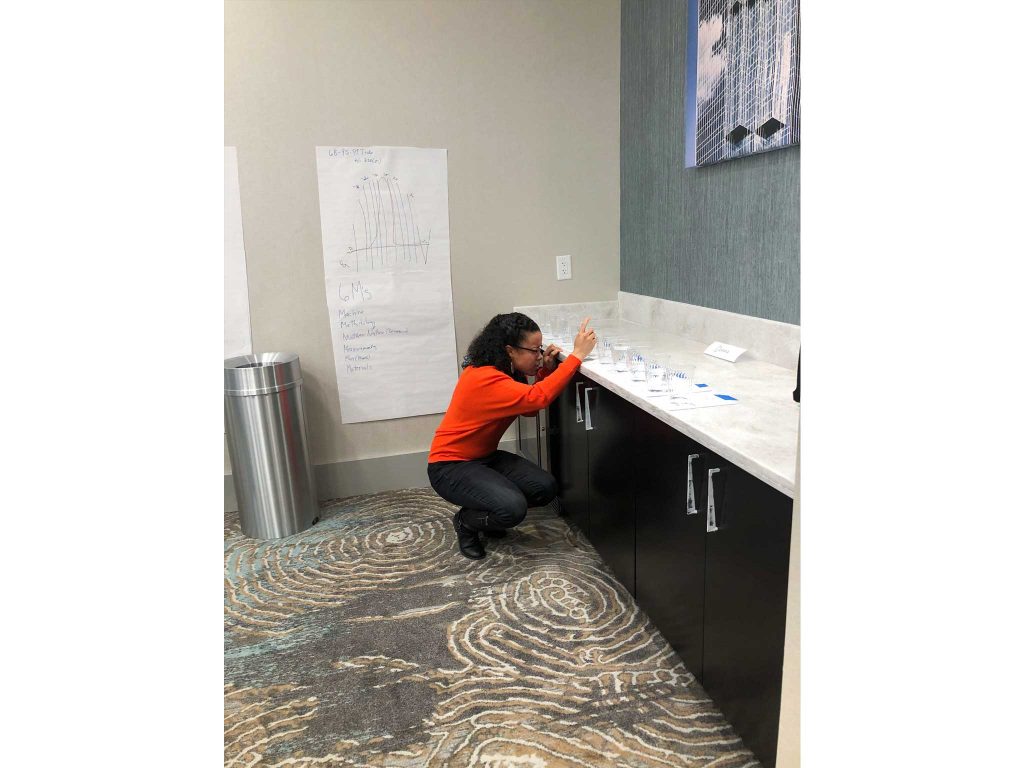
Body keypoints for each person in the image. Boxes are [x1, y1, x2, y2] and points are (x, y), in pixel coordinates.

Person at [427, 312, 598, 559]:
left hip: (484, 457)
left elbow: (529, 410)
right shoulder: (484, 378)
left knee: (544, 487)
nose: (539, 356)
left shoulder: (506, 373)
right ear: (510, 351)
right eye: (534, 350)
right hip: (450, 466)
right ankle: (467, 522)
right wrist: (577, 355)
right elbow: (537, 399)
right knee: (512, 509)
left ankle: (490, 510)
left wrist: (545, 372)